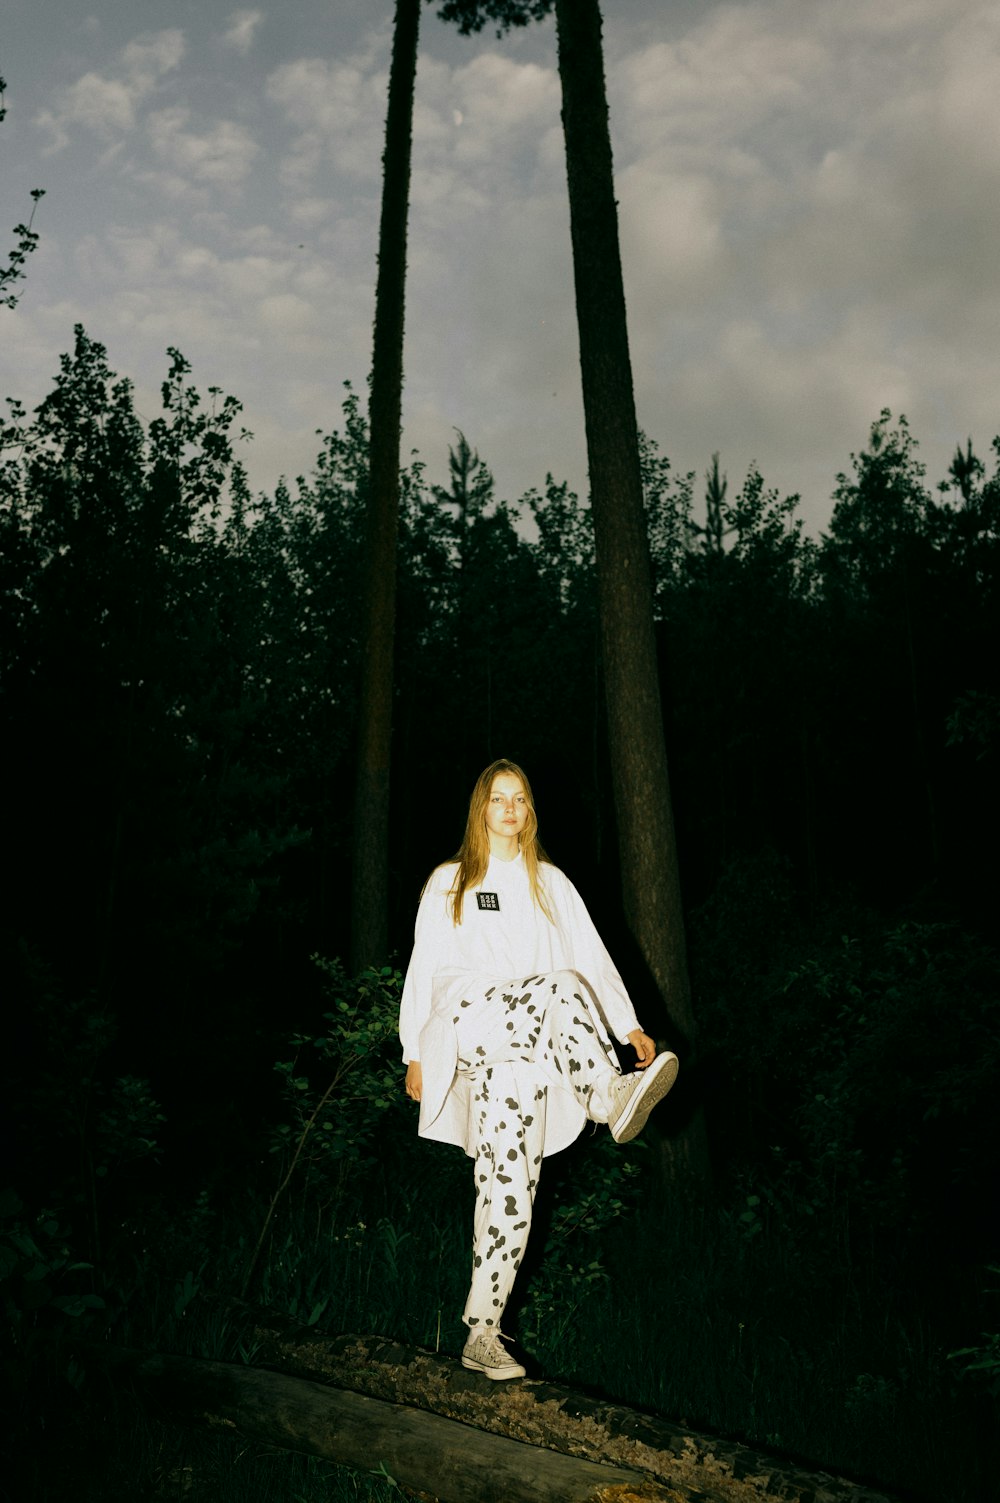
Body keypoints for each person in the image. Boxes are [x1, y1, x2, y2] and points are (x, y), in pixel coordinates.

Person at [399, 758, 679, 1381]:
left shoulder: (550, 884)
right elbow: (424, 964)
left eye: (520, 799)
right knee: (554, 989)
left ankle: (483, 1331)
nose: (510, 808)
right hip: (470, 1016)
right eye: (498, 798)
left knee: (511, 1192)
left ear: (529, 812)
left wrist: (628, 1024)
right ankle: (610, 1095)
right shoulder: (452, 881)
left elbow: (591, 959)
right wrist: (412, 1050)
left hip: (520, 1060)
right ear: (481, 809)